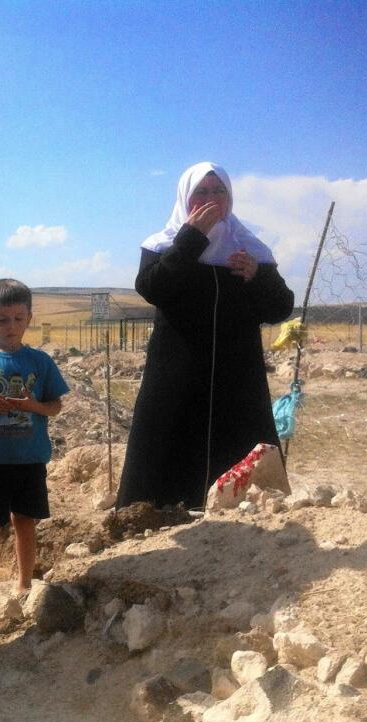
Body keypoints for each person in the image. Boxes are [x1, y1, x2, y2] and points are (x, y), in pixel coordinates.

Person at [117, 162, 293, 510]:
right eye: (201, 191)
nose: (211, 199)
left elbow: (280, 308)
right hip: (177, 377)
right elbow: (153, 288)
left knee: (240, 465)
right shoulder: (164, 244)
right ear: (185, 197)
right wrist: (191, 239)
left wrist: (258, 275)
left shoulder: (250, 249)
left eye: (219, 191)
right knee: (164, 470)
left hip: (237, 381)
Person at [0, 279, 68, 624]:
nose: (11, 327)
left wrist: (32, 406)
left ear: (29, 318)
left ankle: (25, 585)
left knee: (25, 521)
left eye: (18, 318)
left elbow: (54, 406)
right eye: (2, 320)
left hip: (29, 459)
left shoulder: (39, 362)